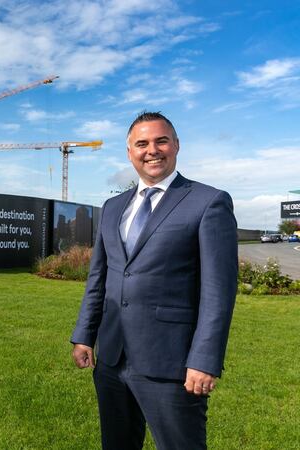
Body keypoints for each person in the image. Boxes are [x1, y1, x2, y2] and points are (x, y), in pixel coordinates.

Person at [70, 111, 237, 449]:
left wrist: (204, 359)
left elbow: (218, 291)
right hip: (112, 359)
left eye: (161, 141)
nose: (152, 150)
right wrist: (84, 336)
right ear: (129, 152)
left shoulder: (208, 202)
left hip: (172, 364)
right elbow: (99, 278)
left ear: (175, 145)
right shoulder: (113, 207)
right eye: (142, 143)